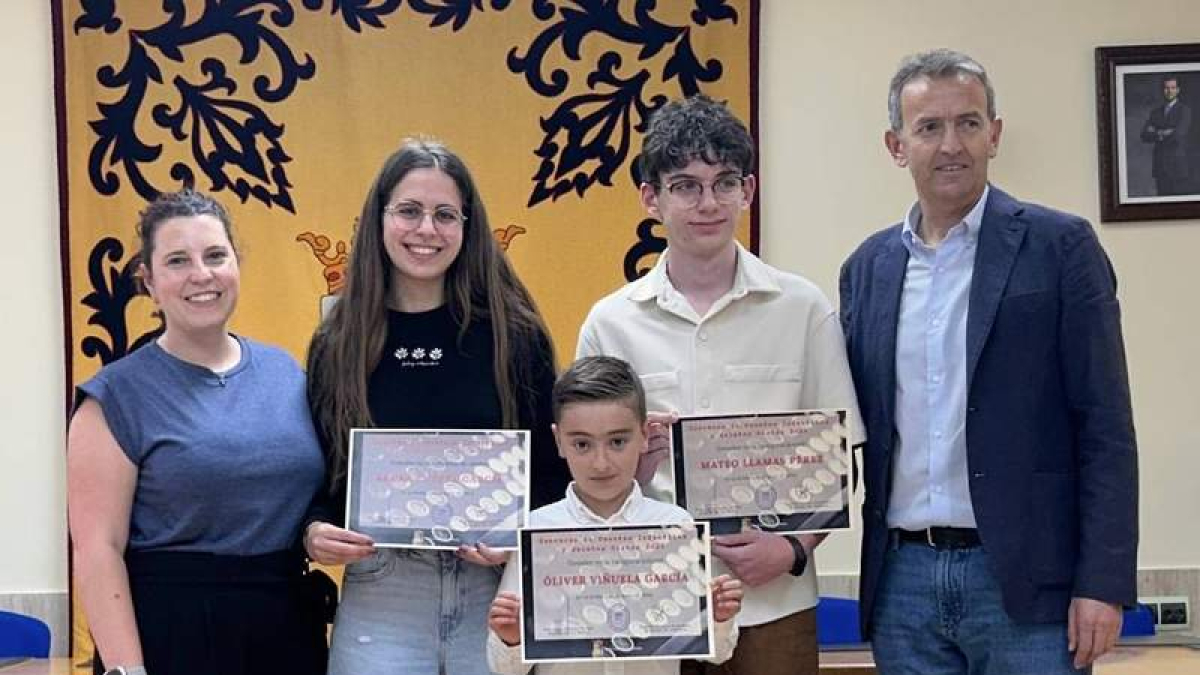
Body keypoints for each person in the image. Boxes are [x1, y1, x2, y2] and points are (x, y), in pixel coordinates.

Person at [839, 48, 1139, 674]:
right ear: (896, 145)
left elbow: (1105, 425)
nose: (951, 144)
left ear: (994, 135)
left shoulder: (1061, 247)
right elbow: (850, 423)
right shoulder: (866, 269)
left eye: (968, 123)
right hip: (903, 584)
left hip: (1029, 587)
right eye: (929, 127)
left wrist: (1103, 582)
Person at [576, 95, 864, 675]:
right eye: (685, 186)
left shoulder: (802, 308)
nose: (707, 203)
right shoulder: (610, 323)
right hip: (654, 603)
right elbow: (586, 466)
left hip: (774, 601)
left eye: (724, 183)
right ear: (651, 198)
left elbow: (842, 456)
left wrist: (791, 549)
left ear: (747, 190)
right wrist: (632, 464)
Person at [302, 138, 563, 675]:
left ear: (468, 226)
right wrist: (314, 532)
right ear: (379, 219)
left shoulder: (516, 335)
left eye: (445, 215)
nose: (427, 229)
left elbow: (552, 472)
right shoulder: (339, 342)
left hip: (495, 587)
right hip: (382, 589)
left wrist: (518, 543)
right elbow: (322, 476)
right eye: (409, 211)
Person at [67, 189, 329, 675]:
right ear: (149, 281)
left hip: (286, 628)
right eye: (177, 261)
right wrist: (127, 671)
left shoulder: (286, 373)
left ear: (236, 264)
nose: (201, 274)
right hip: (171, 634)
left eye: (215, 256)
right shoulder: (115, 396)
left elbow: (315, 495)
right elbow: (98, 550)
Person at [487, 355, 743, 675]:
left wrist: (718, 618)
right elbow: (504, 669)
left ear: (645, 435)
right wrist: (511, 639)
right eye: (582, 444)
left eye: (618, 441)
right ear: (558, 441)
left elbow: (719, 653)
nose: (601, 463)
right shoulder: (535, 530)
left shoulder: (677, 527)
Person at [1140, 74, 1192, 195]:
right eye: (1166, 88)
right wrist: (1163, 132)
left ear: (1178, 90)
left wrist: (1156, 131)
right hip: (1159, 166)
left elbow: (1178, 134)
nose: (1169, 91)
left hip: (1176, 166)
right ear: (1163, 90)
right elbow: (1144, 135)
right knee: (1161, 200)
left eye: (1173, 88)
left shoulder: (1184, 110)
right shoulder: (1155, 112)